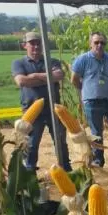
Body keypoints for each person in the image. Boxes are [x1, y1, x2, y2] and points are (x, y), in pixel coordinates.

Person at [11, 32, 71, 172]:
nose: (36, 46)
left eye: (39, 43)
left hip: (53, 109)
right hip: (31, 109)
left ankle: (66, 168)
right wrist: (47, 78)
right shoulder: (18, 63)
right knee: (31, 142)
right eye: (32, 43)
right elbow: (21, 81)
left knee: (60, 140)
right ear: (24, 45)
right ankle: (30, 170)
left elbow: (59, 75)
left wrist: (34, 76)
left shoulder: (52, 61)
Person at [71, 32, 108, 169]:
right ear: (90, 43)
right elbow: (74, 79)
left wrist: (107, 87)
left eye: (102, 43)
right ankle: (98, 160)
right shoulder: (82, 60)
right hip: (92, 102)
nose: (99, 45)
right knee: (96, 134)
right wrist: (87, 90)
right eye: (96, 42)